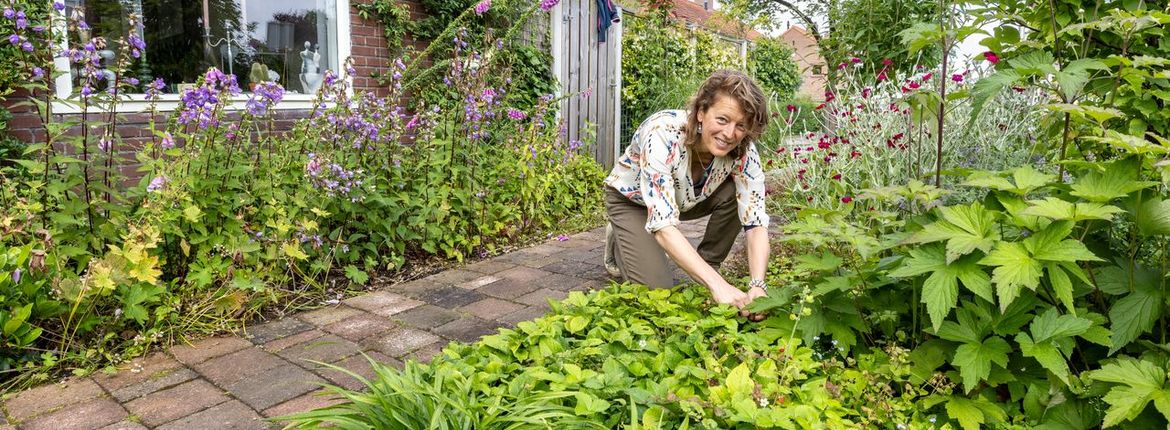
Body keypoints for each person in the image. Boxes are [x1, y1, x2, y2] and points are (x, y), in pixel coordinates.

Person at [604, 69, 771, 317]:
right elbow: (663, 225)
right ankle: (623, 235)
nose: (729, 134)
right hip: (633, 202)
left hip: (686, 198)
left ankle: (708, 265)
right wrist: (719, 286)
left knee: (737, 193)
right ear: (701, 112)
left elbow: (756, 221)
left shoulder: (744, 150)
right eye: (723, 120)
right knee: (658, 294)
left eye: (741, 126)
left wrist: (758, 285)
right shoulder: (662, 133)